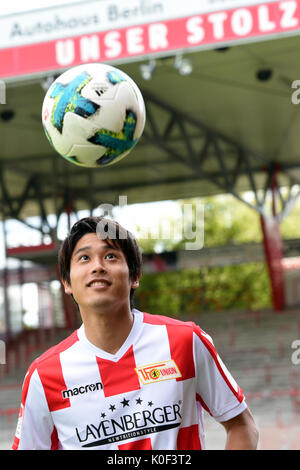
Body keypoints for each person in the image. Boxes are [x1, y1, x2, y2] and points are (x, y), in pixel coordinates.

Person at [12, 216, 259, 450]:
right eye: (84, 258)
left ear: (135, 275)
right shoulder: (44, 376)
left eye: (110, 256)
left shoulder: (184, 341)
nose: (97, 266)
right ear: (66, 282)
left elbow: (241, 425)